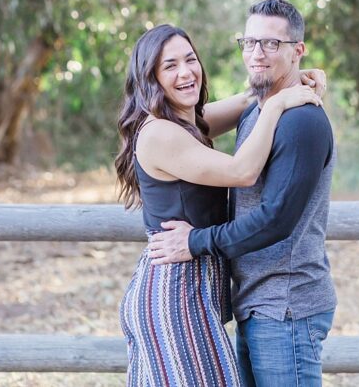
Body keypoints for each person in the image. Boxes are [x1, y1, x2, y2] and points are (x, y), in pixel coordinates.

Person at [115, 23, 326, 386]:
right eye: (170, 66)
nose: (185, 72)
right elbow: (242, 171)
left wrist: (290, 80)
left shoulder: (184, 122)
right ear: (150, 78)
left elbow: (248, 100)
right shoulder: (161, 133)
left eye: (190, 59)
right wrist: (277, 104)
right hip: (176, 293)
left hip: (191, 291)